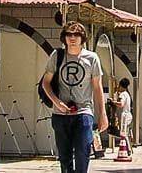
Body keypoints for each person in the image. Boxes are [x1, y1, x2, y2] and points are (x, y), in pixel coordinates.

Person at [40, 21, 108, 173]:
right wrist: (56, 102)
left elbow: (97, 87)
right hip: (60, 113)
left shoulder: (92, 58)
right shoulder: (57, 56)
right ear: (64, 37)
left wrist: (102, 114)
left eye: (76, 34)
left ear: (82, 38)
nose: (72, 38)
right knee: (64, 157)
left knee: (83, 150)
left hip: (83, 111)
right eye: (69, 34)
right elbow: (46, 82)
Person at [114, 78, 134, 148]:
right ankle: (129, 148)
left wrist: (113, 102)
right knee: (126, 133)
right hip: (129, 115)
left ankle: (127, 149)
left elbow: (121, 104)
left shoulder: (122, 94)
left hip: (124, 116)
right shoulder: (127, 94)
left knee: (123, 134)